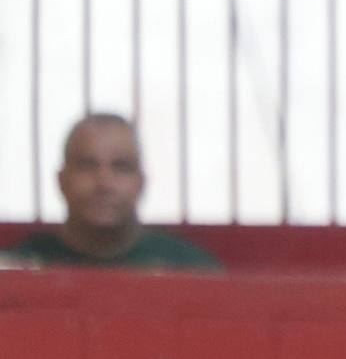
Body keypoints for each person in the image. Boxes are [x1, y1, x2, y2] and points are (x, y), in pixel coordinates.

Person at [10, 115, 220, 272]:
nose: (104, 183)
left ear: (141, 183)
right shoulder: (17, 271)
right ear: (61, 181)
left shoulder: (190, 270)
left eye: (121, 167)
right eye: (87, 166)